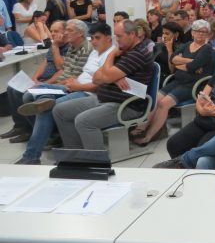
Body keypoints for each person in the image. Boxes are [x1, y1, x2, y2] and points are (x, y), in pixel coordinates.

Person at [15, 23, 115, 165]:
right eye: (92, 38)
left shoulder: (111, 55)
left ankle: (32, 155)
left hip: (87, 92)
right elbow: (80, 72)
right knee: (33, 95)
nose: (94, 41)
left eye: (97, 38)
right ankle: (46, 141)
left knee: (48, 107)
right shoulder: (94, 52)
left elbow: (102, 85)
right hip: (74, 86)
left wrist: (78, 85)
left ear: (108, 38)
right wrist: (74, 81)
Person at [53, 20, 154, 150]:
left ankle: (97, 159)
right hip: (104, 99)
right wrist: (114, 78)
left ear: (132, 34)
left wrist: (111, 56)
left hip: (126, 106)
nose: (117, 40)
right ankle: (76, 153)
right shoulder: (123, 51)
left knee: (83, 121)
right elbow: (96, 78)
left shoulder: (137, 54)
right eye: (116, 36)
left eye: (119, 36)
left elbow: (106, 76)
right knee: (60, 111)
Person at [132, 19, 215, 146]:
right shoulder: (187, 44)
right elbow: (172, 59)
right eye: (197, 31)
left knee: (164, 104)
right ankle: (142, 127)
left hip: (193, 85)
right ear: (192, 33)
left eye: (203, 32)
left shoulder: (207, 49)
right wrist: (189, 61)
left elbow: (192, 67)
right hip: (178, 81)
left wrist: (181, 62)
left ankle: (149, 136)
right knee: (155, 99)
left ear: (207, 34)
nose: (200, 34)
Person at [1, 21, 69, 144]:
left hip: (55, 83)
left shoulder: (67, 47)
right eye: (51, 31)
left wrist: (44, 83)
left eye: (56, 31)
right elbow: (45, 63)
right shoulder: (54, 45)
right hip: (43, 81)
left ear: (65, 32)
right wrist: (35, 78)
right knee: (12, 88)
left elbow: (61, 69)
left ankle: (32, 130)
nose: (52, 34)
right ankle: (20, 126)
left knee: (22, 93)